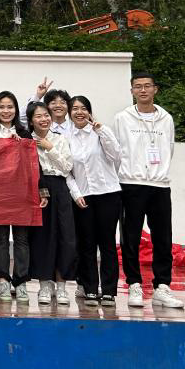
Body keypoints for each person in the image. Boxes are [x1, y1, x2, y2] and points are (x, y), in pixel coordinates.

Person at [112, 71, 183, 309]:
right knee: (130, 237)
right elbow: (117, 151)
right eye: (138, 86)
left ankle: (162, 286)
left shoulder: (166, 118)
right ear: (132, 91)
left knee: (163, 237)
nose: (143, 90)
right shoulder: (123, 118)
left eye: (147, 86)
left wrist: (158, 171)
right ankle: (134, 284)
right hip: (131, 183)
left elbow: (169, 148)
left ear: (155, 89)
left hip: (160, 185)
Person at [68, 95, 122, 305]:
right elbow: (67, 171)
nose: (79, 112)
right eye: (75, 109)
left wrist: (102, 130)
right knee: (86, 244)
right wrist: (76, 194)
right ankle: (90, 288)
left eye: (83, 108)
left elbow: (116, 155)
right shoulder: (67, 137)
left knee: (107, 243)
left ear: (90, 112)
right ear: (70, 113)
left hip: (108, 193)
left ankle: (109, 290)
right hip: (84, 197)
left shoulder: (100, 132)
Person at [0, 92, 32, 302]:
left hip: (21, 194)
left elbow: (33, 165)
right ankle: (2, 280)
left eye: (10, 107)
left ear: (16, 110)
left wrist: (20, 147)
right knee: (0, 238)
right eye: (1, 107)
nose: (6, 111)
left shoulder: (25, 133)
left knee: (21, 239)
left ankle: (21, 282)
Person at [26, 101, 76, 306]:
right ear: (31, 121)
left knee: (65, 236)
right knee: (42, 237)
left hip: (60, 188)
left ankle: (61, 286)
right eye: (38, 116)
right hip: (38, 188)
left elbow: (67, 167)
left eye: (46, 115)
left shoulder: (60, 139)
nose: (44, 119)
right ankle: (45, 285)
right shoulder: (27, 141)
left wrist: (50, 148)